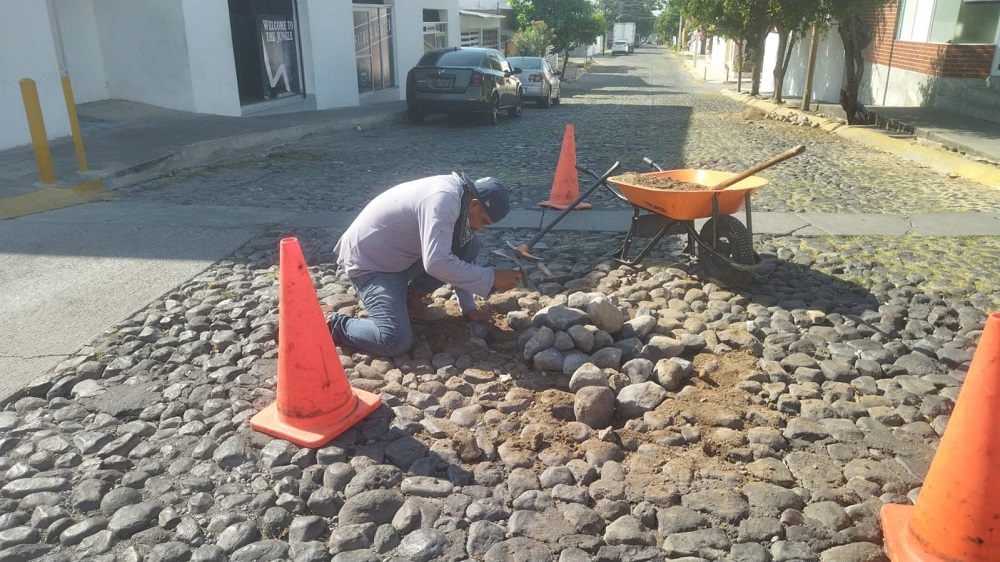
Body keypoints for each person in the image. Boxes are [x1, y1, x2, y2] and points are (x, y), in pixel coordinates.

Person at [328, 172, 522, 357]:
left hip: (402, 257)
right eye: (483, 221)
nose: (480, 228)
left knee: (469, 244)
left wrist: (468, 307)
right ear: (473, 204)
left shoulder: (459, 199)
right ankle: (333, 323)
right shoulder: (444, 199)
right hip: (372, 264)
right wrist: (491, 277)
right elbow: (437, 262)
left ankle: (411, 301)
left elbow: (456, 257)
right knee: (394, 340)